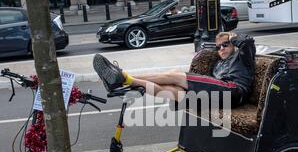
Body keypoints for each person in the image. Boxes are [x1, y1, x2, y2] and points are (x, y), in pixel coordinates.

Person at [93, 32, 256, 108]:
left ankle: (122, 77)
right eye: (218, 46)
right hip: (220, 95)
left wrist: (233, 37)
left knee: (175, 75)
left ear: (234, 45)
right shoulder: (218, 64)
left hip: (234, 91)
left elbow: (248, 42)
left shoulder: (242, 57)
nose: (221, 48)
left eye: (225, 44)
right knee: (171, 91)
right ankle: (121, 82)